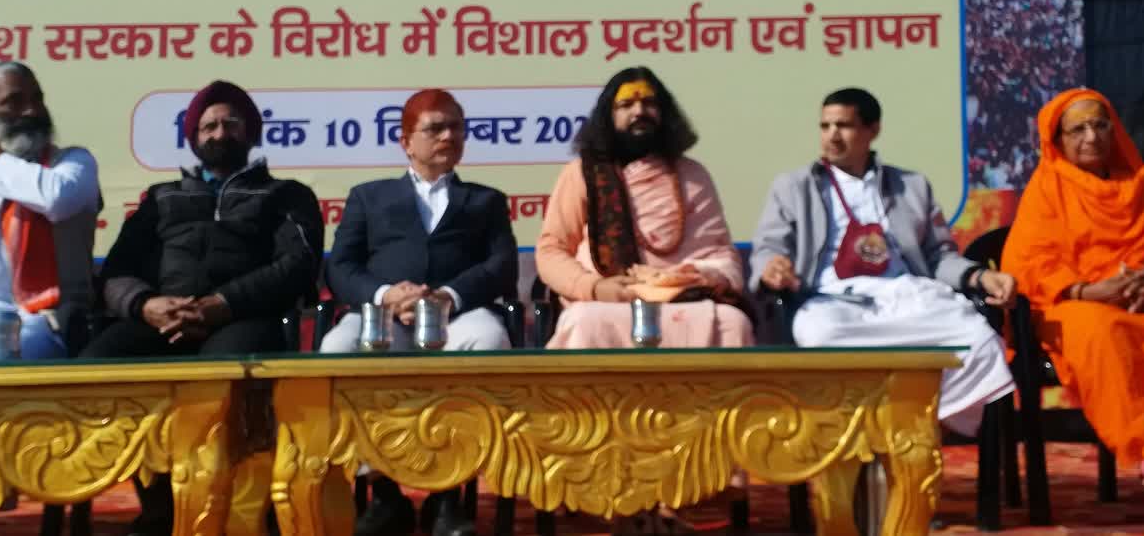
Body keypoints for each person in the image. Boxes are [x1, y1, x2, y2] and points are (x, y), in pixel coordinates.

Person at [81, 80, 324, 536]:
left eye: (231, 123)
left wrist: (223, 304)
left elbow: (298, 265)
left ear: (251, 133)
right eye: (208, 126)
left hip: (243, 316)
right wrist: (146, 305)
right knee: (100, 362)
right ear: (193, 138)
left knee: (221, 380)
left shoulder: (284, 195)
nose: (220, 133)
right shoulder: (162, 198)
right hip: (163, 317)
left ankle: (237, 510)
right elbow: (116, 272)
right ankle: (159, 506)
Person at [750, 87, 1016, 436]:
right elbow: (769, 246)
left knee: (977, 337)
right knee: (819, 334)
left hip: (906, 295)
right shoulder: (793, 187)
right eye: (825, 126)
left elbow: (938, 256)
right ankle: (870, 426)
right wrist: (771, 267)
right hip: (832, 301)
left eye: (844, 126)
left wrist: (978, 276)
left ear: (872, 130)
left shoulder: (911, 186)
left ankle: (913, 421)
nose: (832, 136)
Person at [321, 88, 517, 536]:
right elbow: (341, 268)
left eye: (456, 128)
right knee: (338, 347)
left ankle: (447, 497)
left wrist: (448, 296)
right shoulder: (369, 197)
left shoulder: (485, 201)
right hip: (384, 316)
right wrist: (386, 295)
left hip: (457, 316)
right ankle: (384, 493)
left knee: (489, 341)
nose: (448, 136)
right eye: (435, 128)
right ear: (406, 141)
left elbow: (502, 266)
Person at [1001, 88, 1144, 497]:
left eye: (1100, 126)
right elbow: (1027, 265)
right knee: (1102, 332)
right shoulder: (1047, 189)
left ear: (1115, 131)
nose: (1091, 137)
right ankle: (1143, 451)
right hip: (1075, 304)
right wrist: (1089, 290)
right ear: (1058, 141)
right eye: (1078, 130)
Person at [537, 66, 753, 350]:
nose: (639, 111)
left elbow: (720, 253)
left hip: (684, 299)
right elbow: (551, 251)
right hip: (605, 301)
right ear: (609, 116)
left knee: (732, 323)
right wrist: (594, 287)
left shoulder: (692, 176)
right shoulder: (582, 174)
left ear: (664, 114)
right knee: (583, 322)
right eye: (626, 104)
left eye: (649, 103)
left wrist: (688, 277)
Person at [0, 61, 100, 361]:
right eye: (14, 102)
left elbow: (56, 199)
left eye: (37, 99)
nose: (31, 111)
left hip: (41, 320)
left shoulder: (72, 163)